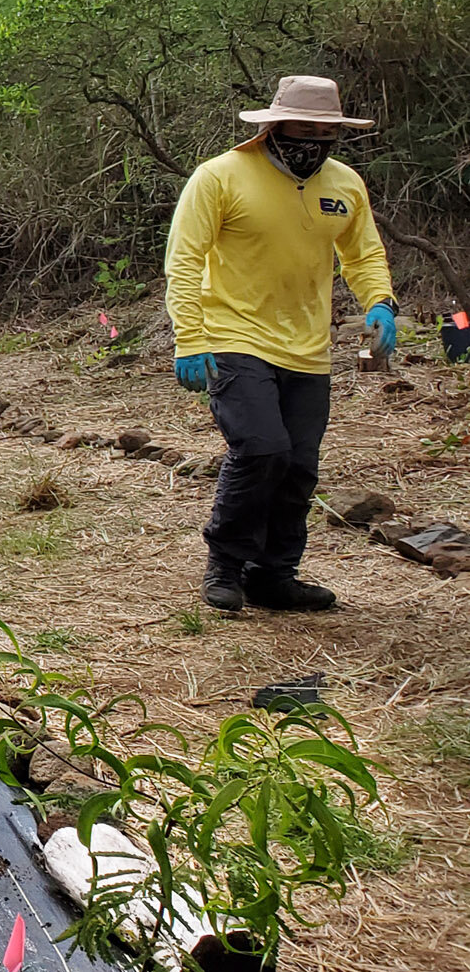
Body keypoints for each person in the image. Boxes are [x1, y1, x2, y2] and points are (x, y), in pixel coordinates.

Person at [166, 75, 397, 615]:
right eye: (302, 128)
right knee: (261, 448)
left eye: (325, 131)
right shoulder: (219, 177)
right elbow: (184, 260)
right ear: (273, 127)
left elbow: (361, 254)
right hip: (232, 334)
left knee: (298, 465)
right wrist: (190, 338)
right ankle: (225, 565)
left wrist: (379, 302)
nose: (313, 139)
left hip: (307, 346)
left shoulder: (344, 185)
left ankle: (274, 575)